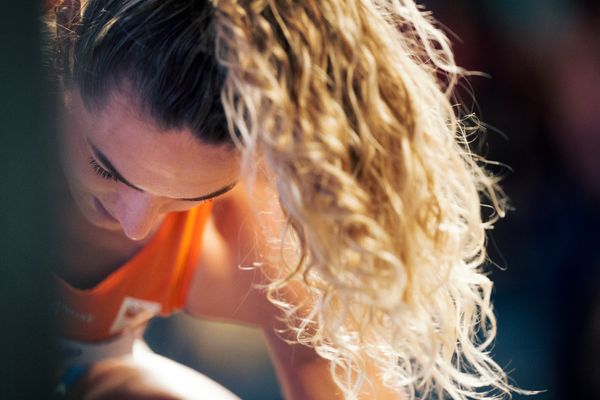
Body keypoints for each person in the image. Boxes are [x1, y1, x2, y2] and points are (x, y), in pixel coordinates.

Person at [46, 0, 517, 399]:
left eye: (187, 197)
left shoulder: (235, 227)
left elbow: (339, 367)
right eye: (104, 168)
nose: (137, 223)